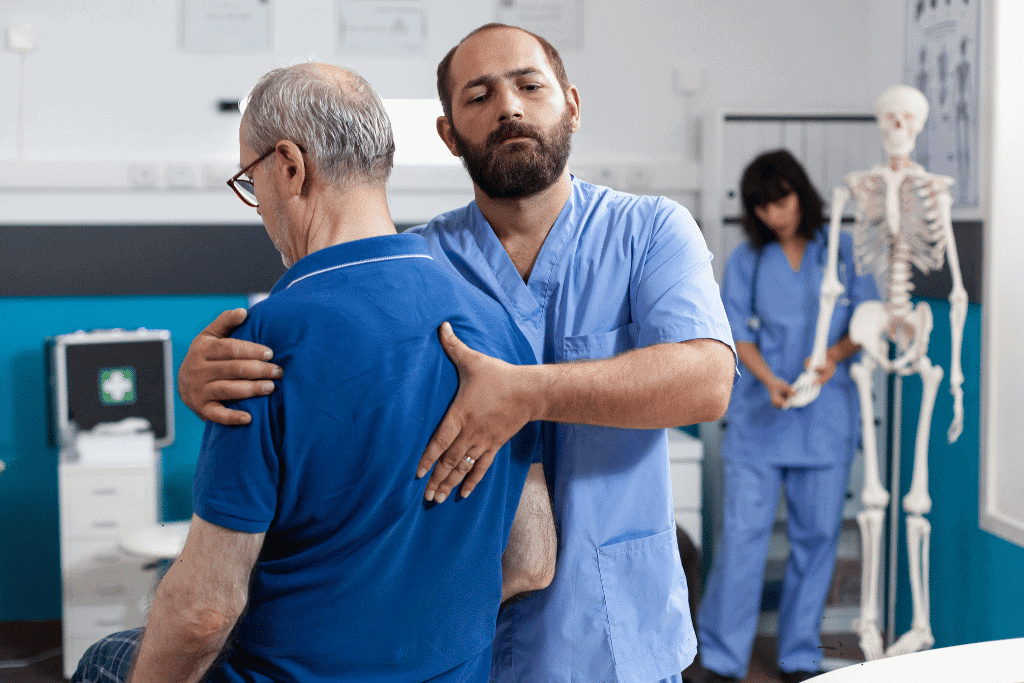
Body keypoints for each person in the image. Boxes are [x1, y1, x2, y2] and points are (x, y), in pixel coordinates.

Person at [179, 24, 737, 683]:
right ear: (448, 135)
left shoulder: (651, 232)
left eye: (530, 85)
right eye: (478, 96)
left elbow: (706, 381)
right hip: (459, 640)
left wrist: (527, 391)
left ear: (573, 104)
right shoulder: (426, 261)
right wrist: (205, 375)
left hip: (610, 628)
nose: (509, 107)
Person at [71, 62, 556, 683]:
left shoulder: (265, 344)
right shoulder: (500, 331)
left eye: (251, 180)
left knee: (104, 660)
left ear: (290, 167)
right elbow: (532, 562)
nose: (258, 206)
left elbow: (203, 613)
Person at [696, 149, 879, 683]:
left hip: (826, 419)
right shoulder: (748, 261)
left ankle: (799, 654)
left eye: (782, 201)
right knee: (743, 539)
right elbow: (735, 329)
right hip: (761, 415)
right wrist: (770, 379)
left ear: (801, 192)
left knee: (816, 539)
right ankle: (722, 658)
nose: (776, 215)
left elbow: (865, 321)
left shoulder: (841, 250)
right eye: (764, 208)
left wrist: (832, 361)